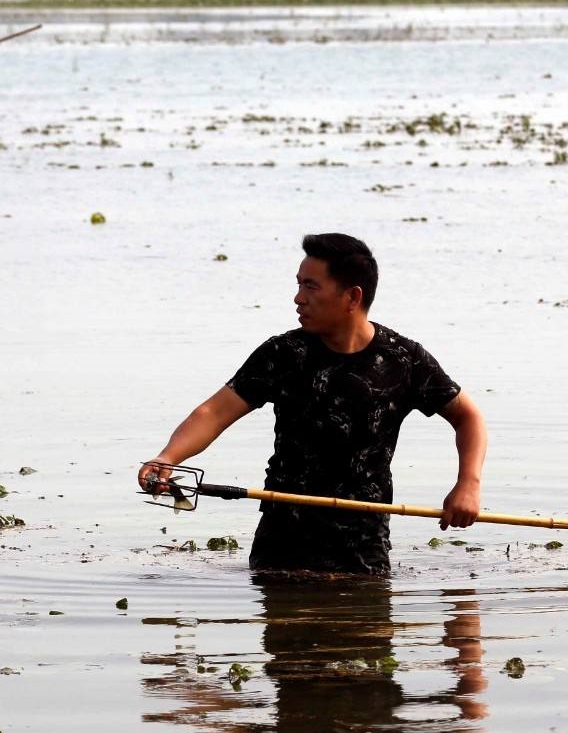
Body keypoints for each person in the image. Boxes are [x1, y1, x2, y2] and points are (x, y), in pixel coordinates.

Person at [138, 233, 488, 576]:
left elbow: (467, 416)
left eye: (311, 286)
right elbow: (213, 412)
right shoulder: (283, 354)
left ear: (352, 297)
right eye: (299, 285)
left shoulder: (403, 359)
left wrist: (467, 484)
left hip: (364, 547)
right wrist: (168, 457)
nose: (298, 298)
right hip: (282, 543)